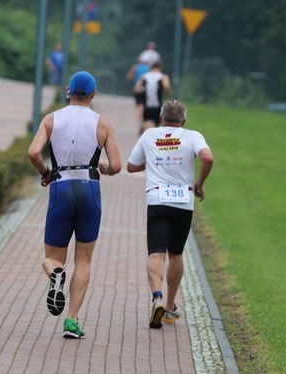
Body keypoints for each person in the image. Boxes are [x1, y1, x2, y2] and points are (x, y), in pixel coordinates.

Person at [27, 70, 122, 339]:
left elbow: (33, 152)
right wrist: (102, 166)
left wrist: (44, 172)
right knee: (84, 260)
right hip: (89, 188)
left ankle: (56, 273)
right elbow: (116, 165)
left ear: (68, 91)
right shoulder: (103, 124)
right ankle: (71, 321)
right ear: (94, 94)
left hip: (60, 186)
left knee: (53, 258)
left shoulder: (51, 119)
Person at [126, 100, 214, 329]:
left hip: (157, 199)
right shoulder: (192, 135)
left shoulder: (149, 135)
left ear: (161, 118)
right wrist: (199, 183)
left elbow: (131, 166)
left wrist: (155, 162)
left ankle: (157, 298)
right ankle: (170, 306)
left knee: (156, 253)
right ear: (183, 121)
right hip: (183, 202)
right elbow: (208, 158)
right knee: (176, 254)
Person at [134, 61, 171, 132]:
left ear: (151, 68)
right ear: (160, 69)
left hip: (147, 106)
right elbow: (167, 86)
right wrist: (168, 97)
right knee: (158, 127)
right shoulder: (163, 76)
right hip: (158, 105)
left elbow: (136, 89)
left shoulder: (144, 76)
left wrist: (143, 91)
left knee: (147, 126)